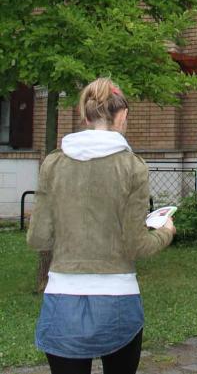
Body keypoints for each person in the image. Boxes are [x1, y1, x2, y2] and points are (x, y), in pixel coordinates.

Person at [27, 78, 175, 374]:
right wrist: (165, 232)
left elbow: (39, 237)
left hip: (62, 297)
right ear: (121, 116)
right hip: (118, 299)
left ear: (85, 116)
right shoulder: (133, 167)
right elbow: (137, 245)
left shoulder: (53, 164)